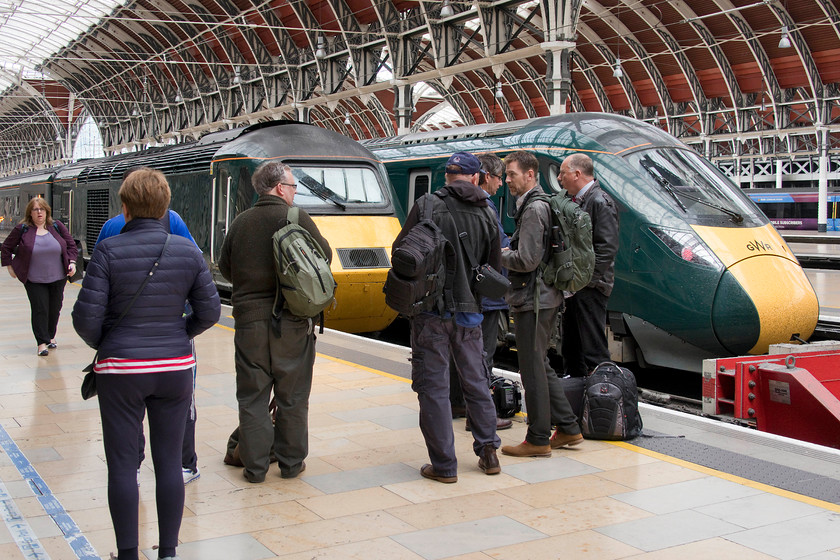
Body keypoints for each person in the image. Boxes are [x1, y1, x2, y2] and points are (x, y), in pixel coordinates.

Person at [72, 168, 220, 560]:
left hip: (121, 371)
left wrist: (110, 344)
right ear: (166, 206)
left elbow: (85, 319)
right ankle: (168, 552)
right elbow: (210, 312)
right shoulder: (187, 251)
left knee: (123, 465)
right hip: (174, 368)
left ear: (125, 207)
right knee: (170, 462)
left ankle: (127, 554)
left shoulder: (107, 249)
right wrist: (178, 333)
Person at [219, 160, 330, 483]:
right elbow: (323, 258)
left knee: (252, 396)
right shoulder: (295, 218)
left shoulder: (241, 222)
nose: (295, 193)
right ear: (280, 188)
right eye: (294, 186)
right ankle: (291, 464)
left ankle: (254, 469)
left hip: (249, 324)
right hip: (292, 323)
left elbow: (227, 268)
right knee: (292, 396)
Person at [395, 151, 502, 483]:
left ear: (448, 177)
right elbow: (493, 265)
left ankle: (444, 466)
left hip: (429, 311)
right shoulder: (486, 210)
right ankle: (488, 452)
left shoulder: (427, 205)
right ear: (474, 178)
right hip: (469, 314)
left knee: (434, 388)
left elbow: (403, 251)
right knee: (477, 382)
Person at [95, 188, 202, 486]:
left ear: (126, 206)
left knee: (129, 408)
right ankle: (184, 463)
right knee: (182, 403)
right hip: (172, 335)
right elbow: (201, 284)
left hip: (122, 339)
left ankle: (135, 466)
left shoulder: (110, 228)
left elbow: (92, 303)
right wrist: (183, 330)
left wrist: (105, 339)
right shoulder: (174, 221)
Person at [500, 150, 582, 458]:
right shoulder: (538, 204)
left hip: (533, 299)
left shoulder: (534, 209)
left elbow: (527, 259)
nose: (508, 180)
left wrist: (497, 252)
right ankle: (569, 428)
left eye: (512, 174)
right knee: (541, 365)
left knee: (531, 370)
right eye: (506, 175)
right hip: (543, 297)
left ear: (530, 175)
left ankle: (537, 438)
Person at [449, 153, 512, 431]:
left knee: (457, 352)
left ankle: (457, 403)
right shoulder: (485, 206)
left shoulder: (440, 203)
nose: (502, 184)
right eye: (500, 178)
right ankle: (481, 415)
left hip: (456, 291)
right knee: (482, 354)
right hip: (483, 295)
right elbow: (495, 251)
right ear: (484, 176)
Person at [558, 153, 619, 376]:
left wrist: (586, 281)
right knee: (571, 348)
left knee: (593, 349)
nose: (559, 178)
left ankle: (604, 394)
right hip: (576, 286)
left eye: (563, 173)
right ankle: (576, 396)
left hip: (590, 287)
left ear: (577, 173)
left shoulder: (600, 202)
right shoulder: (579, 201)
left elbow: (606, 248)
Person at [1, 197, 78, 356]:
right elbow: (6, 247)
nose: (39, 212)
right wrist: (9, 266)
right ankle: (42, 343)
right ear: (30, 212)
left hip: (58, 277)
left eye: (42, 209)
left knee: (55, 309)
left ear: (47, 211)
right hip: (34, 279)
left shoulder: (56, 226)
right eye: (35, 210)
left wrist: (72, 262)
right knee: (40, 309)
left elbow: (71, 245)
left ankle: (50, 336)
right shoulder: (22, 229)